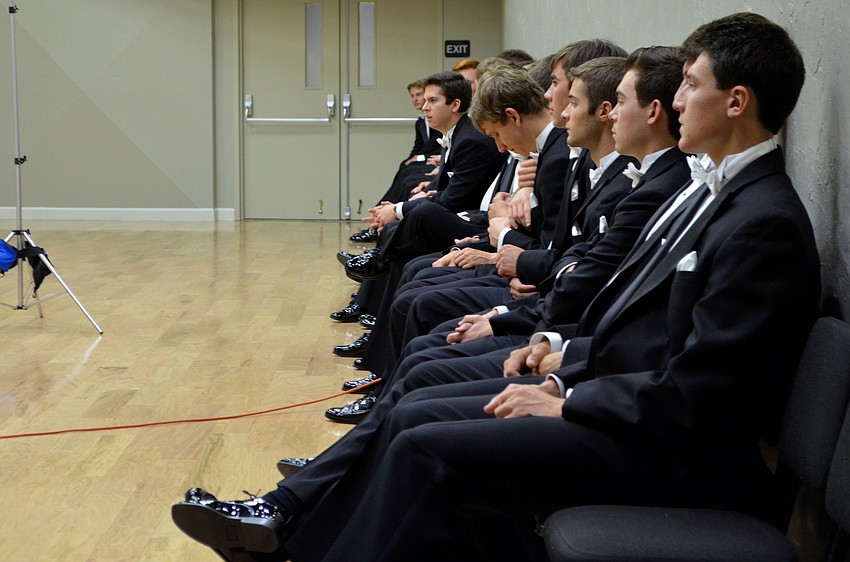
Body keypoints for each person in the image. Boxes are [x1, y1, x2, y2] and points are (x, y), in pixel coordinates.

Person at [172, 13, 820, 561]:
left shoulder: (760, 220)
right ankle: (287, 527)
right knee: (416, 414)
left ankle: (293, 537)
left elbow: (704, 392)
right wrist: (563, 366)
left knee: (424, 440)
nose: (675, 102)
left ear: (737, 101)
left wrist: (567, 396)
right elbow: (640, 329)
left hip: (672, 451)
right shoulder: (718, 195)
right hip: (624, 401)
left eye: (692, 87)